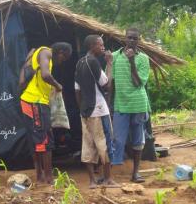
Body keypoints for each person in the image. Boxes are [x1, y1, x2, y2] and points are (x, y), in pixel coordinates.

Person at [20, 42, 72, 184]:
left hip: (31, 101)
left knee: (37, 140)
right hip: (35, 101)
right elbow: (45, 75)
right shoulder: (46, 53)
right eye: (64, 58)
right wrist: (57, 85)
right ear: (60, 52)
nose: (62, 61)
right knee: (45, 140)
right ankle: (48, 178)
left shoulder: (40, 54)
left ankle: (40, 177)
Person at [74, 35, 118, 189]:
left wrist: (83, 109)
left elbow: (77, 90)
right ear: (92, 46)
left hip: (85, 112)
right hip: (99, 110)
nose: (103, 48)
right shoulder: (93, 62)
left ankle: (92, 181)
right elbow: (107, 86)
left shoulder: (79, 63)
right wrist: (110, 64)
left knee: (88, 145)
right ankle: (108, 179)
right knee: (105, 143)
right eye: (101, 45)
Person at [111, 28, 151, 183]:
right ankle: (112, 174)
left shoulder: (143, 59)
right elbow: (111, 83)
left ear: (139, 40)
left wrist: (132, 61)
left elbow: (138, 83)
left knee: (138, 141)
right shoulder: (114, 57)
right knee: (118, 139)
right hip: (121, 104)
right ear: (124, 38)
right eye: (130, 38)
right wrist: (108, 104)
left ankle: (135, 173)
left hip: (139, 105)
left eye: (135, 38)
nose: (132, 41)